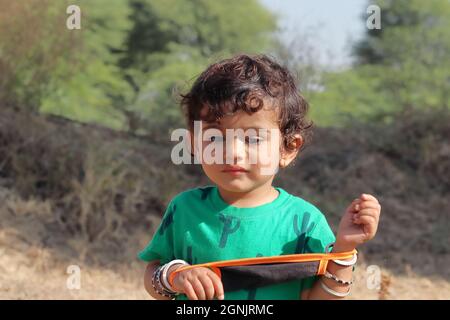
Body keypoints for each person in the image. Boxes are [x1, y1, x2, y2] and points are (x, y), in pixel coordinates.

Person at [138, 54, 381, 300]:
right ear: (193, 143)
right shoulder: (184, 209)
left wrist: (344, 250)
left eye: (253, 138)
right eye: (215, 138)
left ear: (288, 148)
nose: (233, 153)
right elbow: (153, 274)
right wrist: (176, 276)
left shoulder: (304, 222)